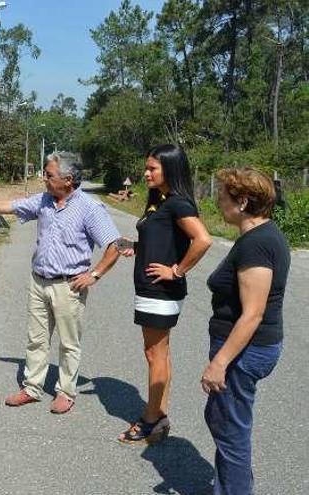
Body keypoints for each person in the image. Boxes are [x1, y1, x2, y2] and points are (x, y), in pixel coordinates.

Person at [0, 153, 121, 414]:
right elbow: (11, 205)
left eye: (49, 175)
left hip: (69, 286)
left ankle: (66, 392)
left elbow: (114, 245)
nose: (44, 178)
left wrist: (94, 275)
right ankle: (32, 387)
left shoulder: (89, 208)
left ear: (67, 180)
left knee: (68, 342)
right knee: (37, 339)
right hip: (39, 281)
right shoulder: (44, 200)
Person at [116, 144, 212, 444]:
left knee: (154, 353)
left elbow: (203, 240)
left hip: (161, 290)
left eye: (152, 168)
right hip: (152, 290)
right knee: (159, 353)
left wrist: (177, 271)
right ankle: (159, 413)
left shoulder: (178, 203)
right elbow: (163, 238)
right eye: (146, 168)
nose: (146, 173)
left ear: (169, 169)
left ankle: (150, 418)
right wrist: (137, 246)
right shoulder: (160, 201)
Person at [203, 168, 289, 494]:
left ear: (241, 202)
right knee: (223, 419)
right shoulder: (258, 237)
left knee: (231, 429)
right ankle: (234, 483)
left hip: (244, 351)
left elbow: (252, 314)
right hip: (245, 349)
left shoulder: (257, 244)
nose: (218, 201)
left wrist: (220, 362)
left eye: (222, 196)